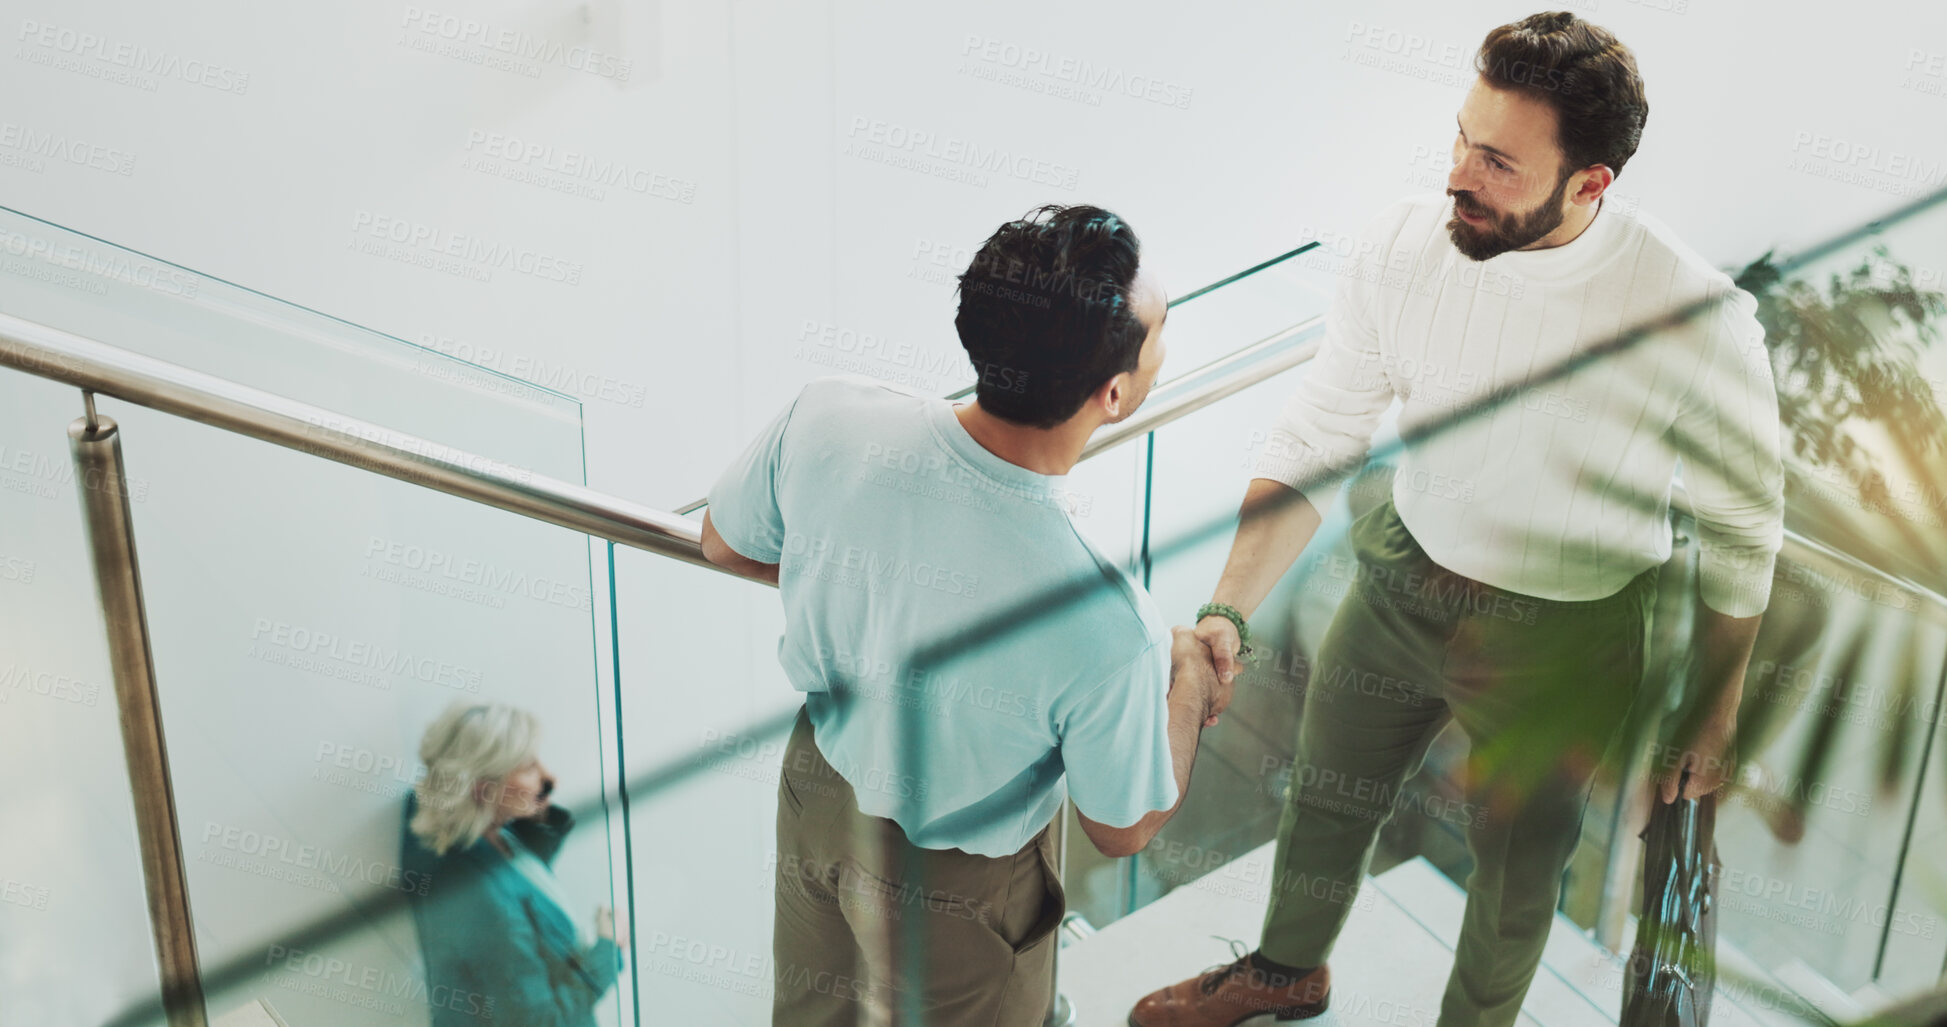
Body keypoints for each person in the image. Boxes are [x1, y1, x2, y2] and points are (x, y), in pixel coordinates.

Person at [1130, 12, 1783, 1027]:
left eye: (1498, 161)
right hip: (1402, 572)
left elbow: (1746, 529)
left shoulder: (1694, 321)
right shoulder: (1405, 246)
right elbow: (1321, 430)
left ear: (1590, 184)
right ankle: (1286, 968)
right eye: (1461, 139)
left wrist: (1716, 704)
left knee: (1519, 870)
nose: (1458, 175)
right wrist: (1229, 609)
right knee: (1327, 792)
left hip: (1567, 632)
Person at [701, 204, 1227, 1025]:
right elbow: (1121, 826)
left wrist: (865, 596)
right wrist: (1187, 672)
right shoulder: (1105, 620)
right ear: (1115, 392)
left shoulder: (830, 414)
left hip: (817, 791)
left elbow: (723, 543)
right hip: (954, 885)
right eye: (1162, 331)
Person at [401, 702, 625, 1027]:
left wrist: (520, 804)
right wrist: (609, 949)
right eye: (529, 767)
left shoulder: (481, 832)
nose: (550, 778)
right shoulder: (487, 905)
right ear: (483, 788)